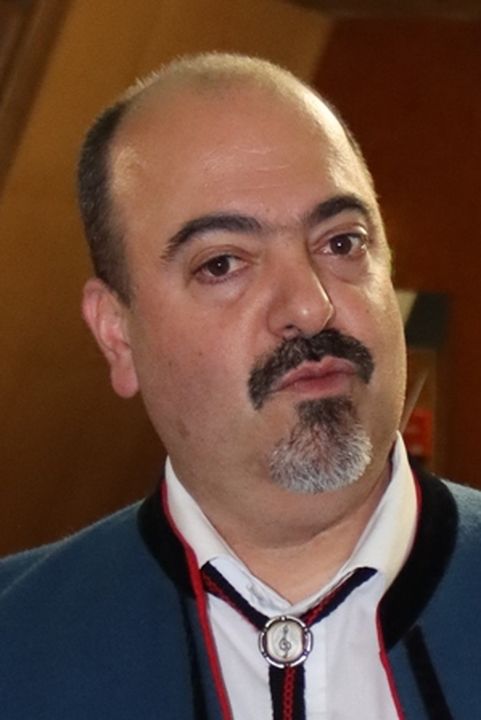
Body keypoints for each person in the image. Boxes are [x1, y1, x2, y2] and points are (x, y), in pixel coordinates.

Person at [1, 53, 480, 720]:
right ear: (117, 334)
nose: (309, 306)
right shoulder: (18, 646)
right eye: (222, 263)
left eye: (341, 243)